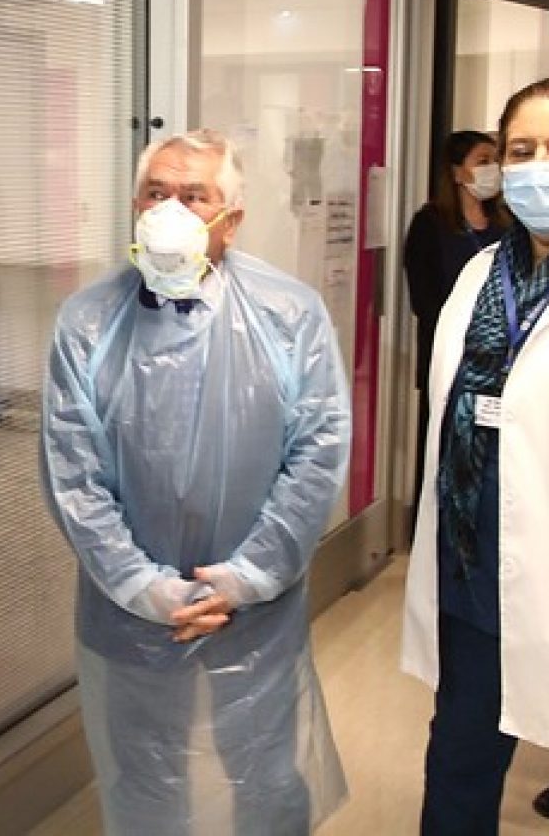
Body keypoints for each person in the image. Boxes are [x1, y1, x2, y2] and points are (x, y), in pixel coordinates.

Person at [41, 128, 351, 835]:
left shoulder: (288, 314)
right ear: (134, 208)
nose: (169, 212)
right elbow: (72, 472)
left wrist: (249, 575)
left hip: (256, 603)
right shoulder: (88, 321)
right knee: (146, 770)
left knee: (262, 763)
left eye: (193, 196)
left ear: (230, 221)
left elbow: (317, 452)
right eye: (156, 194)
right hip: (128, 606)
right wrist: (138, 585)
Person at [402, 74, 549, 836]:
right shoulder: (477, 276)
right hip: (473, 581)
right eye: (521, 151)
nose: (537, 168)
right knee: (457, 773)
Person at [403, 130, 507, 532]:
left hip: (500, 359)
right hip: (449, 357)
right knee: (443, 444)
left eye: (495, 160)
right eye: (482, 161)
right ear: (457, 172)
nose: (492, 169)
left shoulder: (506, 224)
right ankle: (436, 528)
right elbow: (424, 299)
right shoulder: (430, 224)